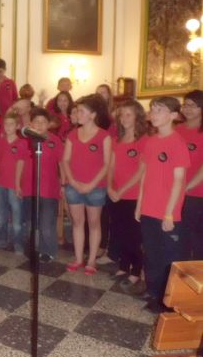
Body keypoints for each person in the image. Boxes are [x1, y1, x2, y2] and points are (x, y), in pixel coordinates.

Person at [136, 96, 190, 313]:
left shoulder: (177, 143)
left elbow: (178, 181)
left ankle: (167, 301)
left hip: (167, 212)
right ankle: (155, 293)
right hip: (149, 208)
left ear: (174, 116)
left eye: (160, 110)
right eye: (153, 109)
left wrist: (169, 213)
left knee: (168, 257)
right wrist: (139, 203)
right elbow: (145, 175)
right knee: (151, 254)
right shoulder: (150, 141)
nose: (154, 114)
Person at [63, 94, 111, 275]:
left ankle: (91, 261)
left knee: (94, 223)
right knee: (77, 223)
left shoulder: (104, 136)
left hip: (95, 187)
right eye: (77, 111)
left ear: (92, 115)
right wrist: (73, 182)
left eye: (81, 111)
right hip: (73, 186)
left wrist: (91, 185)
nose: (78, 114)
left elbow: (107, 164)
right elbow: (66, 160)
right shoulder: (72, 134)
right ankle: (78, 258)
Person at [107, 100, 147, 295]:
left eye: (128, 115)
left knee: (133, 235)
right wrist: (109, 187)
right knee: (119, 232)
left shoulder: (143, 140)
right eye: (121, 115)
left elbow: (141, 171)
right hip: (116, 194)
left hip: (132, 195)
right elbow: (111, 167)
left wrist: (121, 191)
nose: (124, 119)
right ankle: (123, 266)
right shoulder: (117, 140)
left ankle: (136, 271)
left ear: (138, 116)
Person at [22, 108, 65, 262]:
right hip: (29, 188)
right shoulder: (26, 140)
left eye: (43, 122)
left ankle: (49, 251)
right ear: (31, 123)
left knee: (46, 224)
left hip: (49, 189)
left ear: (48, 124)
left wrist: (63, 184)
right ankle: (33, 248)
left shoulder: (55, 140)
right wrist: (18, 184)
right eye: (36, 122)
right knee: (31, 223)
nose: (40, 125)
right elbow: (20, 163)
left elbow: (62, 163)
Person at [177, 90, 203, 260]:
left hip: (196, 193)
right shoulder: (177, 130)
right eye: (185, 105)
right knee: (180, 237)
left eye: (192, 106)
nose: (187, 109)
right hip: (176, 192)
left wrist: (187, 187)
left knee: (197, 238)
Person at [0, 113, 27, 252]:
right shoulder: (1, 141)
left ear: (18, 126)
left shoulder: (21, 143)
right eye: (6, 124)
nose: (8, 127)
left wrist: (18, 184)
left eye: (11, 124)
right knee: (1, 214)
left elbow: (20, 163)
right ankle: (2, 239)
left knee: (16, 214)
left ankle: (18, 242)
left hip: (14, 184)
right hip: (1, 182)